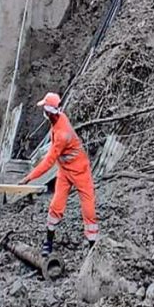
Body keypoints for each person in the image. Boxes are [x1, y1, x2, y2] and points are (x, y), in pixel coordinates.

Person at [19, 93, 99, 256]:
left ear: (50, 112)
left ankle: (93, 245)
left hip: (80, 169)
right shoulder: (58, 118)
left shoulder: (63, 134)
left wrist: (29, 177)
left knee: (87, 204)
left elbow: (48, 161)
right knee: (56, 203)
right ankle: (48, 241)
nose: (43, 111)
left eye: (45, 109)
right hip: (64, 169)